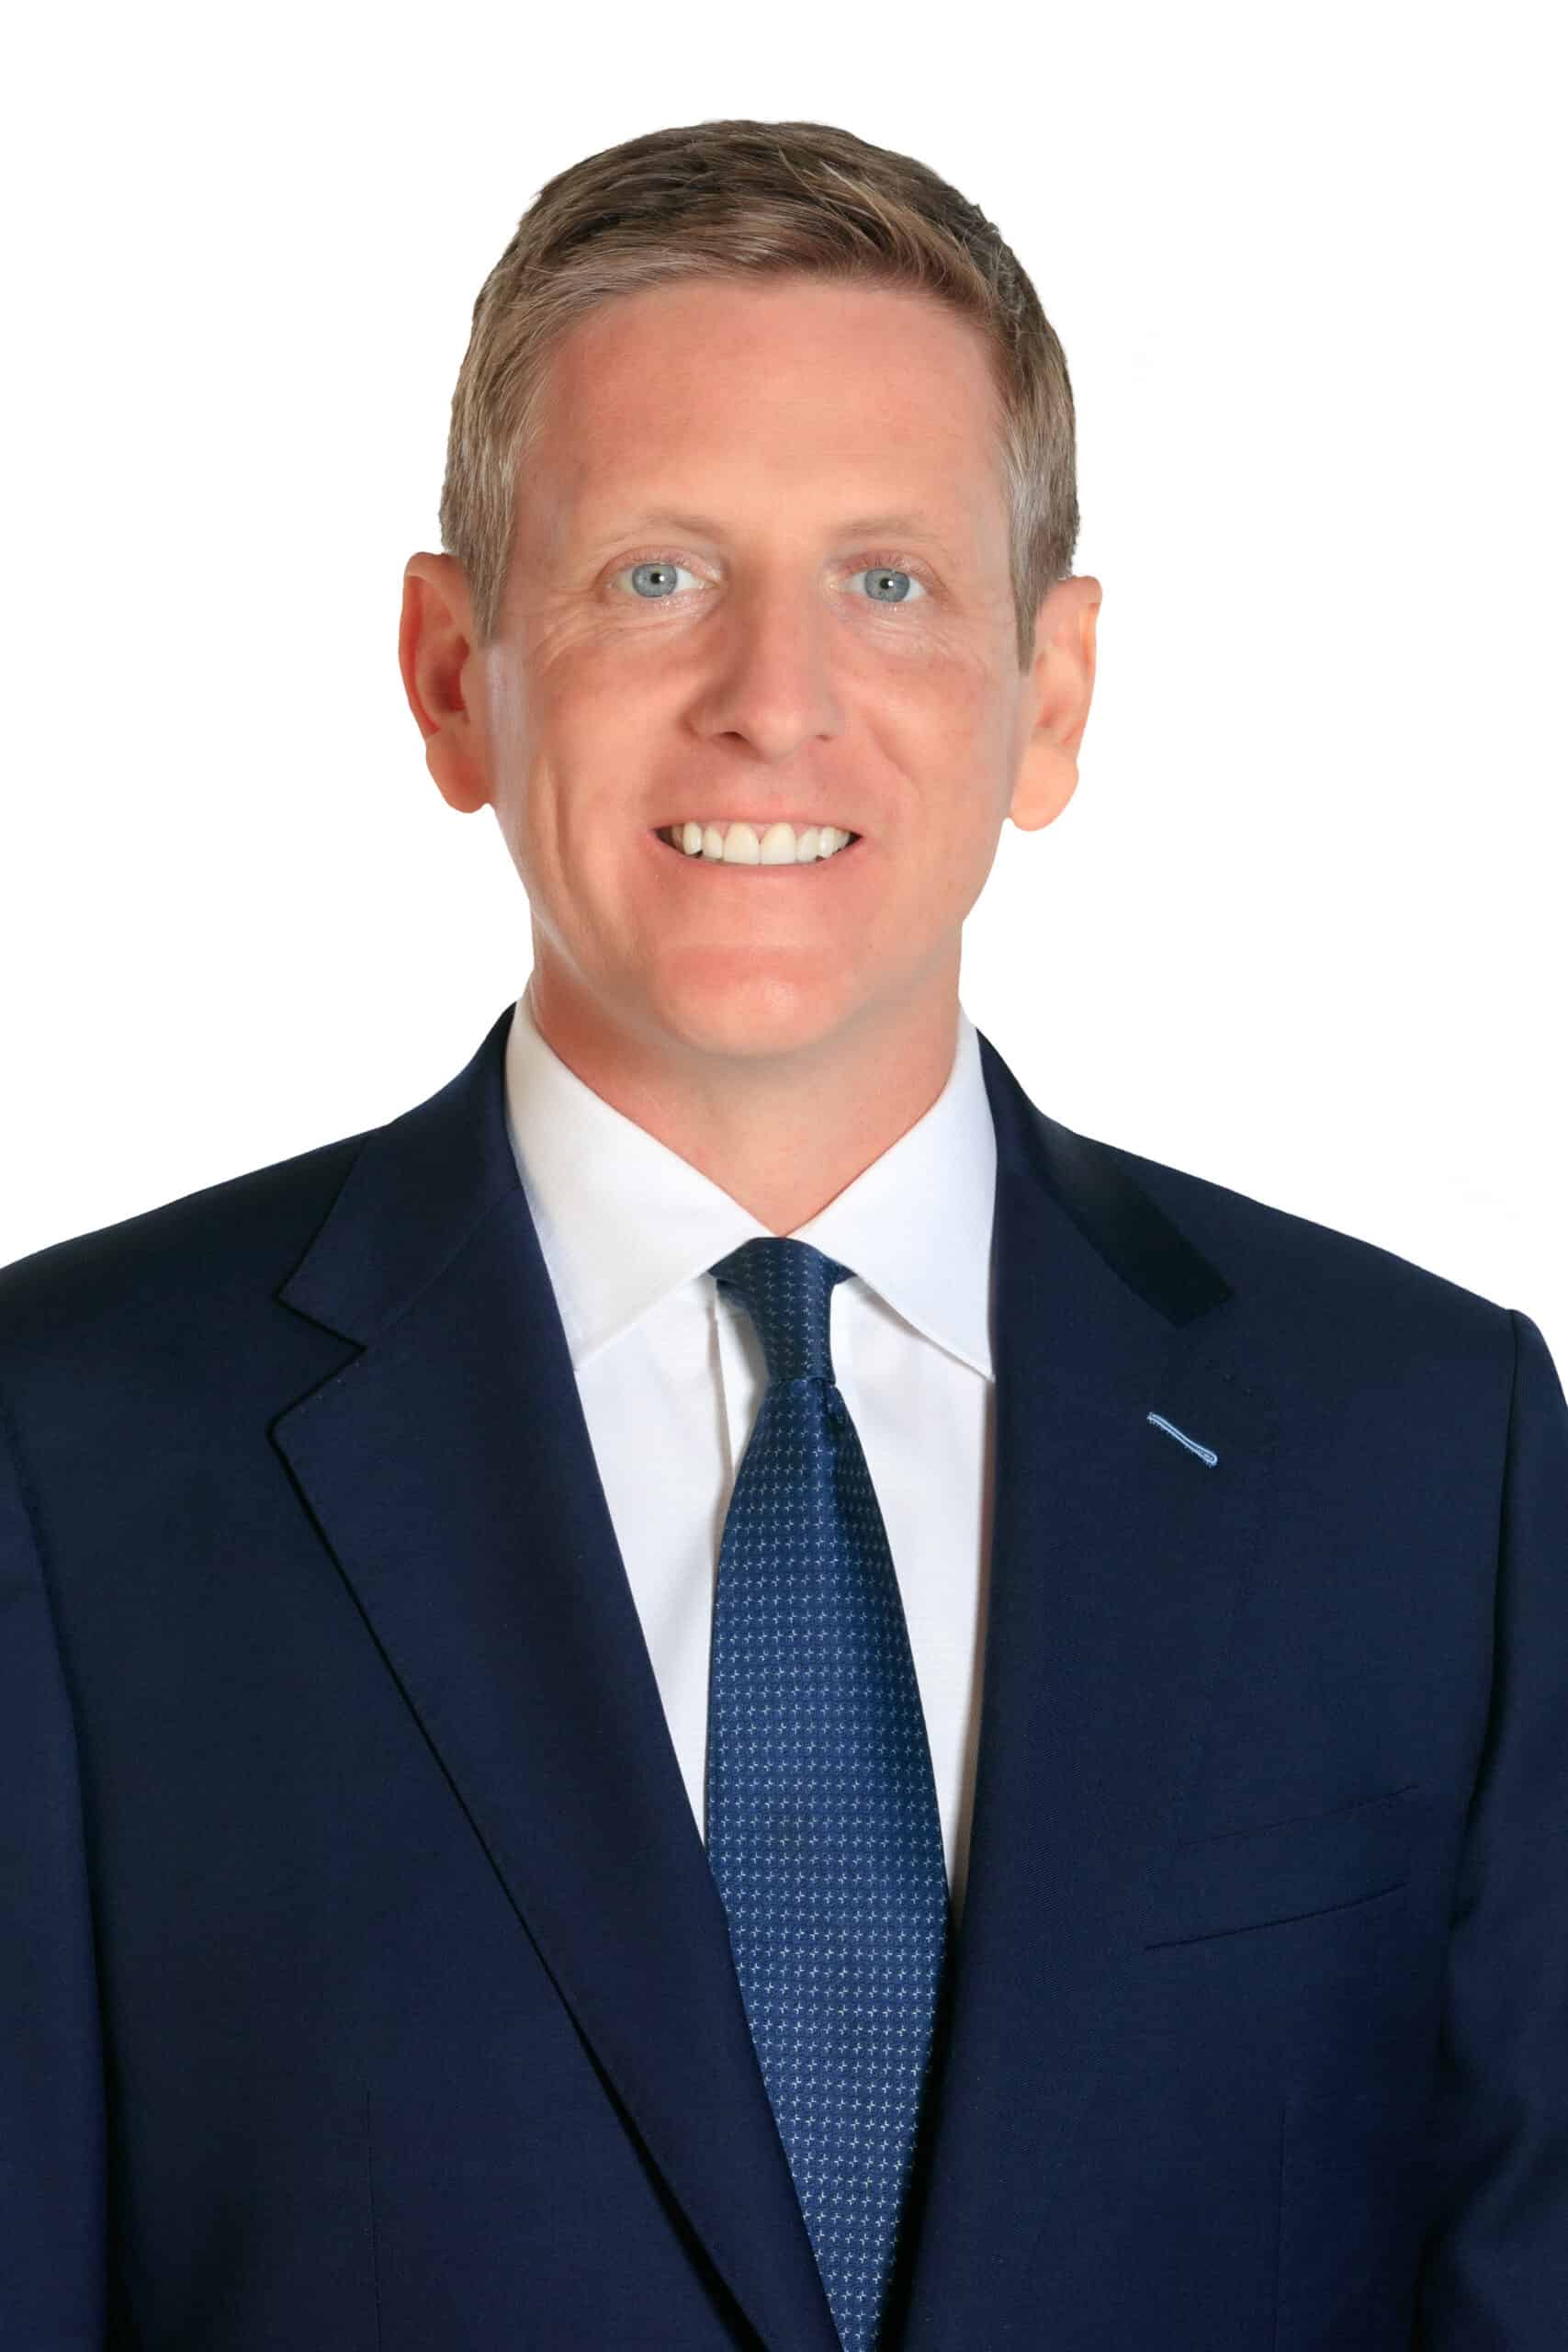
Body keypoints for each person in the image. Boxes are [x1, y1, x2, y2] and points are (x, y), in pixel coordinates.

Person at [1, 115, 1563, 2352]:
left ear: (1051, 694)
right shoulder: (64, 1464)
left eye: (889, 579)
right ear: (452, 673)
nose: (770, 689)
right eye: (653, 571)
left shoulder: (1428, 1458)